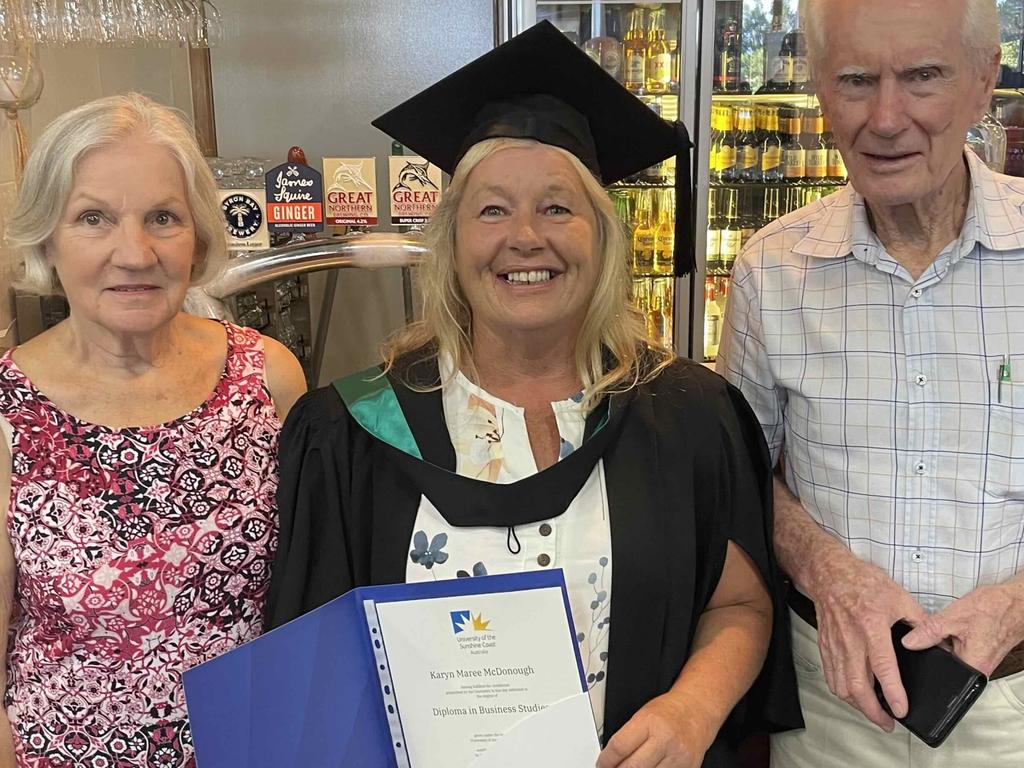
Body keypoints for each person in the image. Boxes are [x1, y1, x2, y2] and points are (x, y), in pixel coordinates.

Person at [267, 21, 801, 768]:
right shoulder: (351, 435)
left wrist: (692, 709)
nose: (525, 237)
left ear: (602, 238)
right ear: (453, 243)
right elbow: (313, 678)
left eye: (557, 207)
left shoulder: (687, 418)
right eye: (492, 210)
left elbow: (740, 606)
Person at [717, 0, 1024, 765]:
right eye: (856, 80)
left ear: (984, 81)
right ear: (819, 87)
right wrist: (829, 571)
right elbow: (738, 475)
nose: (886, 119)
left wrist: (1017, 606)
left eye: (922, 77)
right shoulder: (771, 269)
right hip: (832, 705)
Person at [0, 93, 307, 767]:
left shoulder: (268, 378)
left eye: (162, 218)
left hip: (257, 747)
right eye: (93, 219)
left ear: (197, 236)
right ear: (48, 237)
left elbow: (315, 591)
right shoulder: (6, 411)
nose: (134, 253)